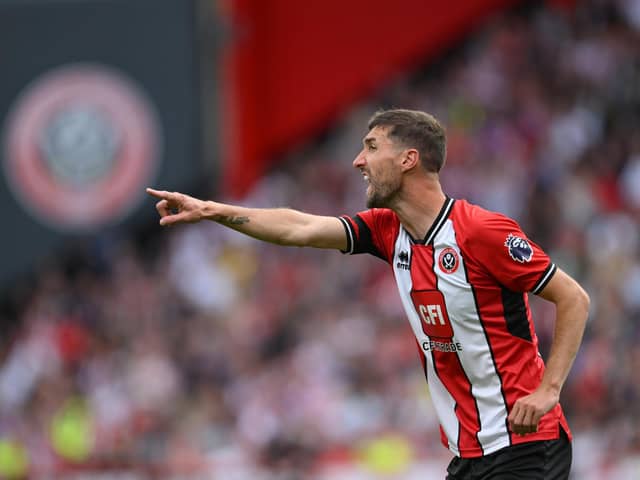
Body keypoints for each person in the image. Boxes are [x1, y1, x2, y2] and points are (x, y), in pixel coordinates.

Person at [146, 108, 589, 479]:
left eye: (372, 147)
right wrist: (212, 210)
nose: (358, 161)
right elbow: (300, 227)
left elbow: (573, 298)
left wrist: (549, 390)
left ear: (408, 159)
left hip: (527, 444)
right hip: (470, 455)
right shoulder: (387, 230)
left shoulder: (481, 231)